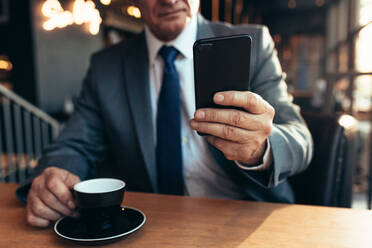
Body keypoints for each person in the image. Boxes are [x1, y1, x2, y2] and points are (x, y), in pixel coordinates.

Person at [17, 0, 313, 227]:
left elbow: (300, 139)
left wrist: (261, 147)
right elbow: (73, 145)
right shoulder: (106, 67)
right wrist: (50, 177)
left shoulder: (254, 43)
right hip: (150, 225)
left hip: (246, 216)